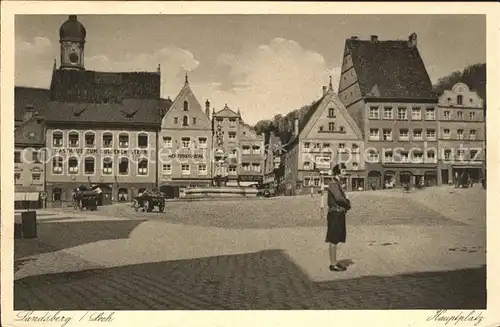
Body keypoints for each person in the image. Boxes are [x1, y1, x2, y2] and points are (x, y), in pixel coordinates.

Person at [325, 163, 351, 272]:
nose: (345, 173)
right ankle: (333, 264)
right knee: (333, 238)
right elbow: (339, 198)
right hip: (335, 213)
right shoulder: (333, 184)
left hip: (339, 213)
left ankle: (334, 262)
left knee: (336, 238)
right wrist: (348, 203)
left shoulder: (337, 184)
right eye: (343, 171)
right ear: (337, 173)